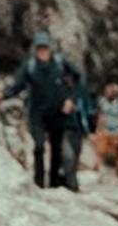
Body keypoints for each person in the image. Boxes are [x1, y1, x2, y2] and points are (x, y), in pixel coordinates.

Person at [7, 31, 81, 191]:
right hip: (37, 114)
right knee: (39, 146)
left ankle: (54, 182)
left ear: (50, 48)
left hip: (58, 113)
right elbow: (17, 85)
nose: (43, 51)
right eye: (40, 48)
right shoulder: (30, 66)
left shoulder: (60, 63)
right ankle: (39, 182)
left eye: (45, 48)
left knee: (56, 149)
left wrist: (70, 99)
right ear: (35, 49)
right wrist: (3, 94)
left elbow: (77, 78)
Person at [93, 85, 118, 176]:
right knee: (100, 150)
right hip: (105, 130)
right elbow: (101, 116)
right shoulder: (102, 102)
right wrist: (98, 129)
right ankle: (99, 167)